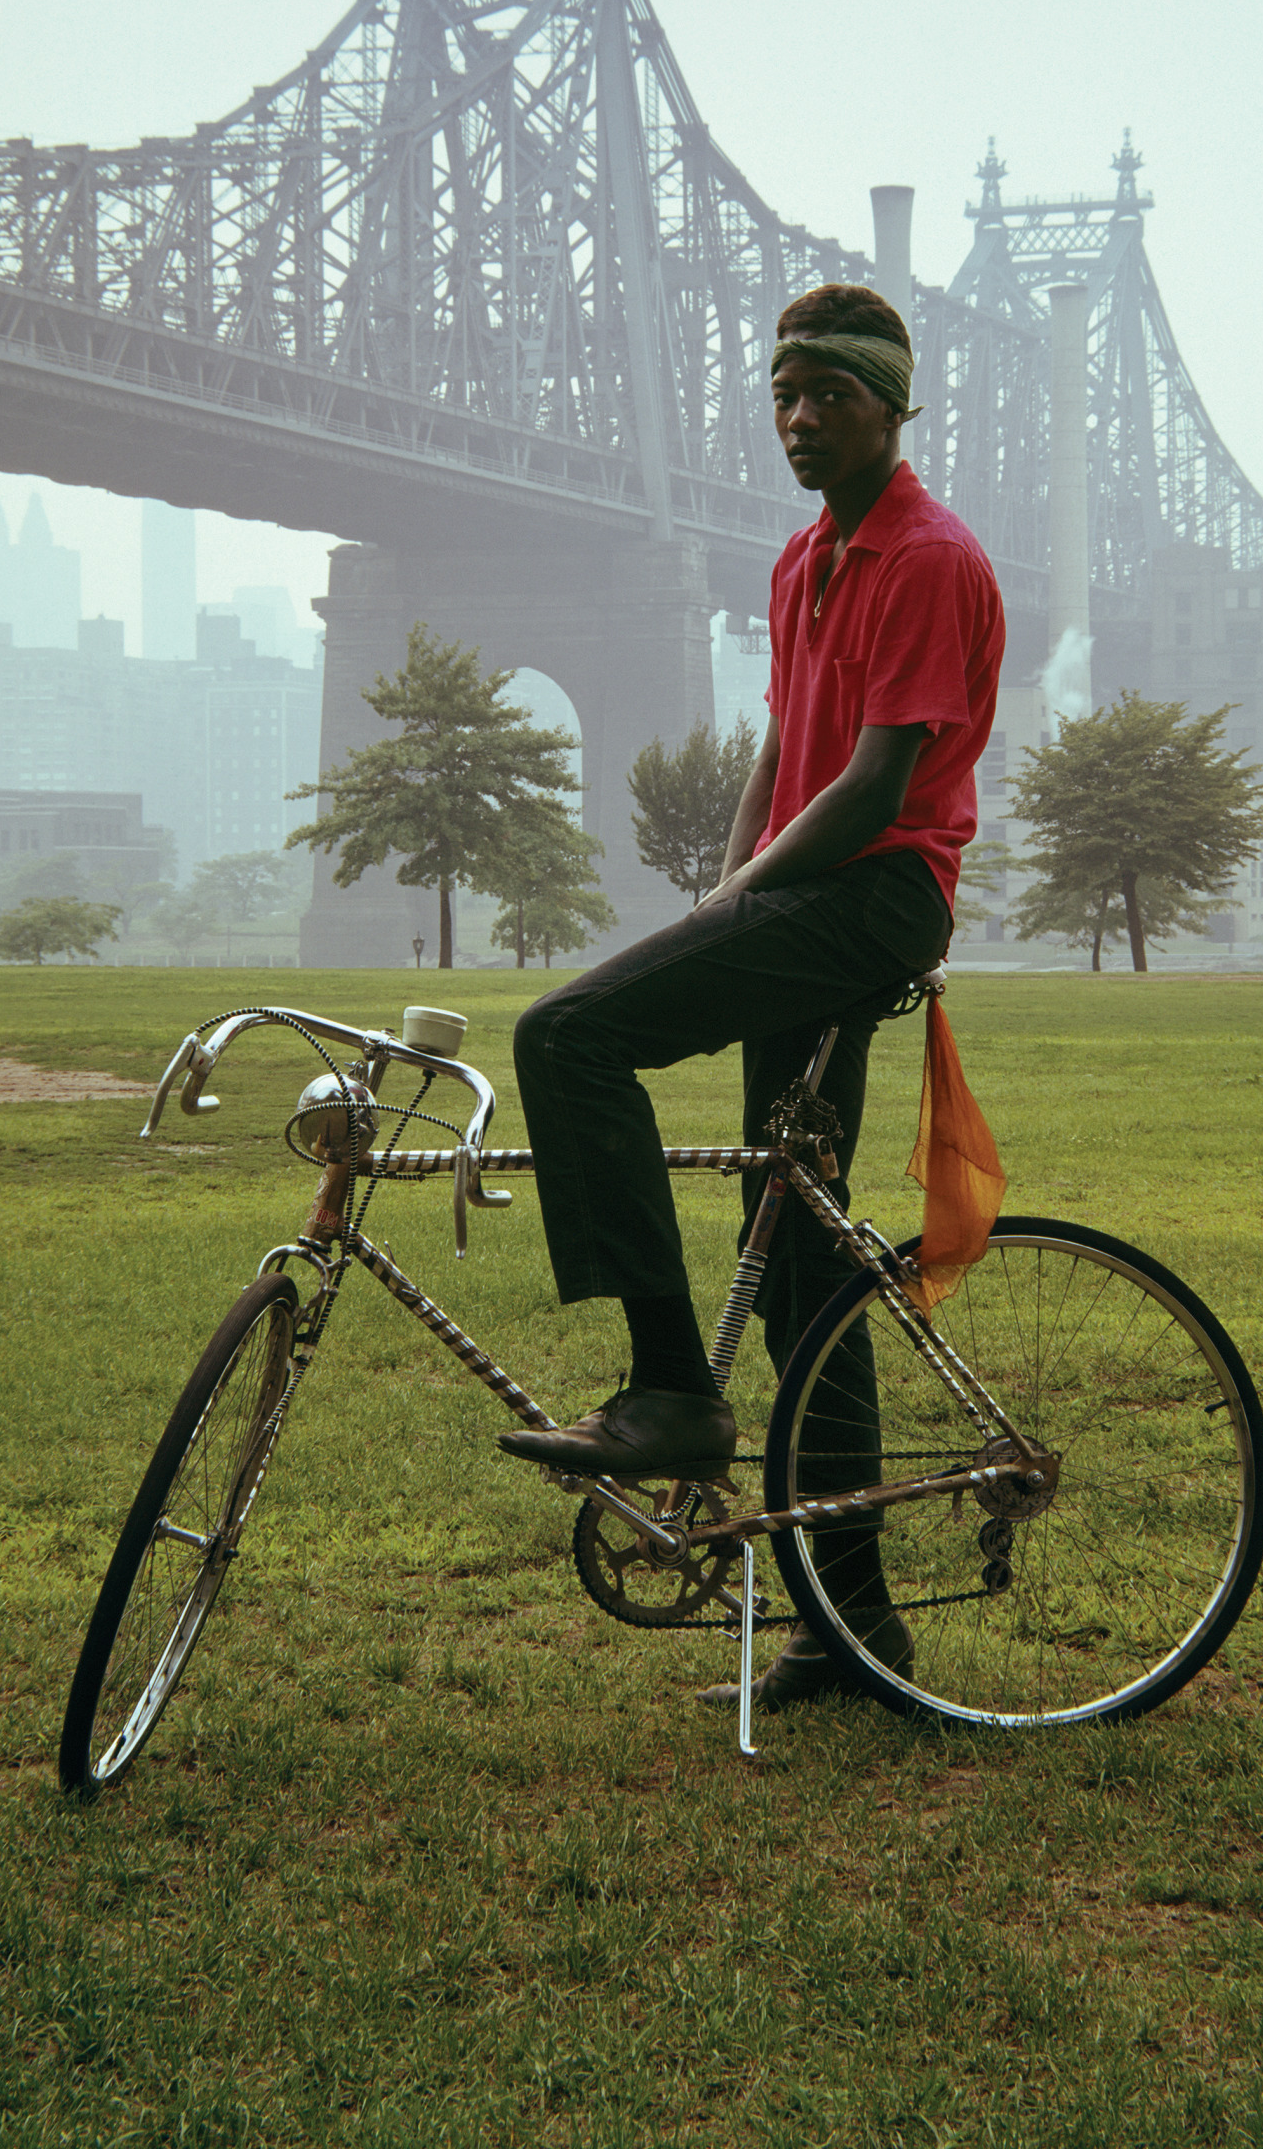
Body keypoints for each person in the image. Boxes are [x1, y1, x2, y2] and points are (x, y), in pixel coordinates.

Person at [500, 282, 1005, 1705]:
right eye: (783, 395)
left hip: (873, 895)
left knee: (568, 1036)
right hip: (805, 894)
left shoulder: (926, 557)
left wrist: (737, 903)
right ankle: (853, 1628)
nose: (798, 419)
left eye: (828, 395)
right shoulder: (802, 560)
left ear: (889, 406)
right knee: (800, 1270)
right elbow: (783, 750)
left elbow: (874, 787)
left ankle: (670, 1389)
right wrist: (725, 885)